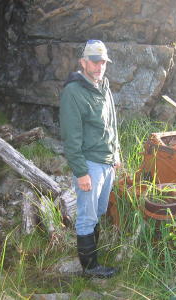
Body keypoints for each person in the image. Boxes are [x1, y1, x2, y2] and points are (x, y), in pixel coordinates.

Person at [59, 40, 120, 278]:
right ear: (83, 62)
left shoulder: (104, 86)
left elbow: (112, 122)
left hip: (107, 162)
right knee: (87, 216)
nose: (99, 66)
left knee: (100, 210)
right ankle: (90, 268)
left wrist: (116, 152)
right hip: (90, 165)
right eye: (94, 62)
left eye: (102, 62)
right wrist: (81, 171)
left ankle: (93, 260)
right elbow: (70, 136)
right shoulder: (73, 92)